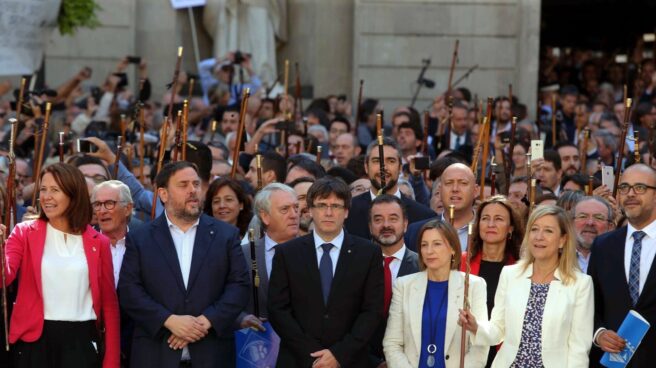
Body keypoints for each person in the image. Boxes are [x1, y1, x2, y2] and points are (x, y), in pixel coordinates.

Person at [118, 161, 250, 367]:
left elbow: (239, 286)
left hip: (212, 354)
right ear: (163, 194)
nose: (192, 190)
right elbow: (130, 291)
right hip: (156, 354)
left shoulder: (225, 235)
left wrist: (204, 323)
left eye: (196, 184)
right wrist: (170, 321)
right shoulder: (141, 238)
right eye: (183, 185)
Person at [4, 163, 120, 367]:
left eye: (55, 190)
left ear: (73, 194)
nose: (46, 196)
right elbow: (5, 277)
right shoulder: (24, 232)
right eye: (43, 189)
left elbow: (109, 306)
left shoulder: (99, 242)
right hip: (34, 343)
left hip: (82, 342)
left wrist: (111, 362)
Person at [268, 176, 384, 368]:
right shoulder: (287, 253)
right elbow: (278, 310)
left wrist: (339, 355)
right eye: (322, 205)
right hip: (298, 360)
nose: (328, 212)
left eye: (336, 206)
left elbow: (372, 311)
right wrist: (312, 355)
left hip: (350, 361)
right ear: (311, 210)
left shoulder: (368, 253)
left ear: (346, 211)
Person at [459, 205, 594, 368]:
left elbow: (579, 349)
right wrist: (476, 326)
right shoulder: (510, 274)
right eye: (534, 229)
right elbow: (497, 330)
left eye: (548, 231)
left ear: (562, 240)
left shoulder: (580, 284)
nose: (539, 237)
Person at [383, 219, 488, 368]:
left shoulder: (473, 286)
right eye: (424, 245)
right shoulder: (404, 285)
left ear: (453, 248)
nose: (429, 251)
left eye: (437, 244)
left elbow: (480, 345)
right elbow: (392, 343)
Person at [588, 164, 656, 367]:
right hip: (613, 362)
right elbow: (591, 304)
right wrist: (599, 334)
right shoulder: (603, 245)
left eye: (640, 187)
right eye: (624, 187)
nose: (630, 194)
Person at [462, 195, 522, 367]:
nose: (490, 224)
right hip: (467, 351)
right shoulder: (461, 263)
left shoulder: (521, 269)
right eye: (485, 218)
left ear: (510, 228)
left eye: (498, 219)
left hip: (504, 354)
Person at [345, 137, 435, 240]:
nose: (384, 168)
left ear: (400, 167)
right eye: (377, 161)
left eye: (391, 161)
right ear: (366, 167)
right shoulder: (348, 212)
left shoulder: (424, 216)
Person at [237, 183, 299, 331]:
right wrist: (241, 318)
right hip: (257, 344)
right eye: (285, 209)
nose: (294, 214)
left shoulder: (314, 252)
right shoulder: (243, 254)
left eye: (296, 207)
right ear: (265, 216)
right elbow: (225, 298)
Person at [368, 195, 420, 366]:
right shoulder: (357, 267)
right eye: (378, 219)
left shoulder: (423, 267)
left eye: (393, 218)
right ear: (370, 227)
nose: (386, 225)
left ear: (405, 224)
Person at [406, 163, 478, 252]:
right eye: (449, 183)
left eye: (463, 183)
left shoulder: (487, 230)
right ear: (440, 190)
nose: (455, 189)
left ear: (475, 191)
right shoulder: (415, 232)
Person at [572, 196, 614, 273]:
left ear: (610, 227)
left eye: (598, 218)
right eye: (583, 216)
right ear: (571, 223)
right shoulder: (555, 257)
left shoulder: (619, 259)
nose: (590, 223)